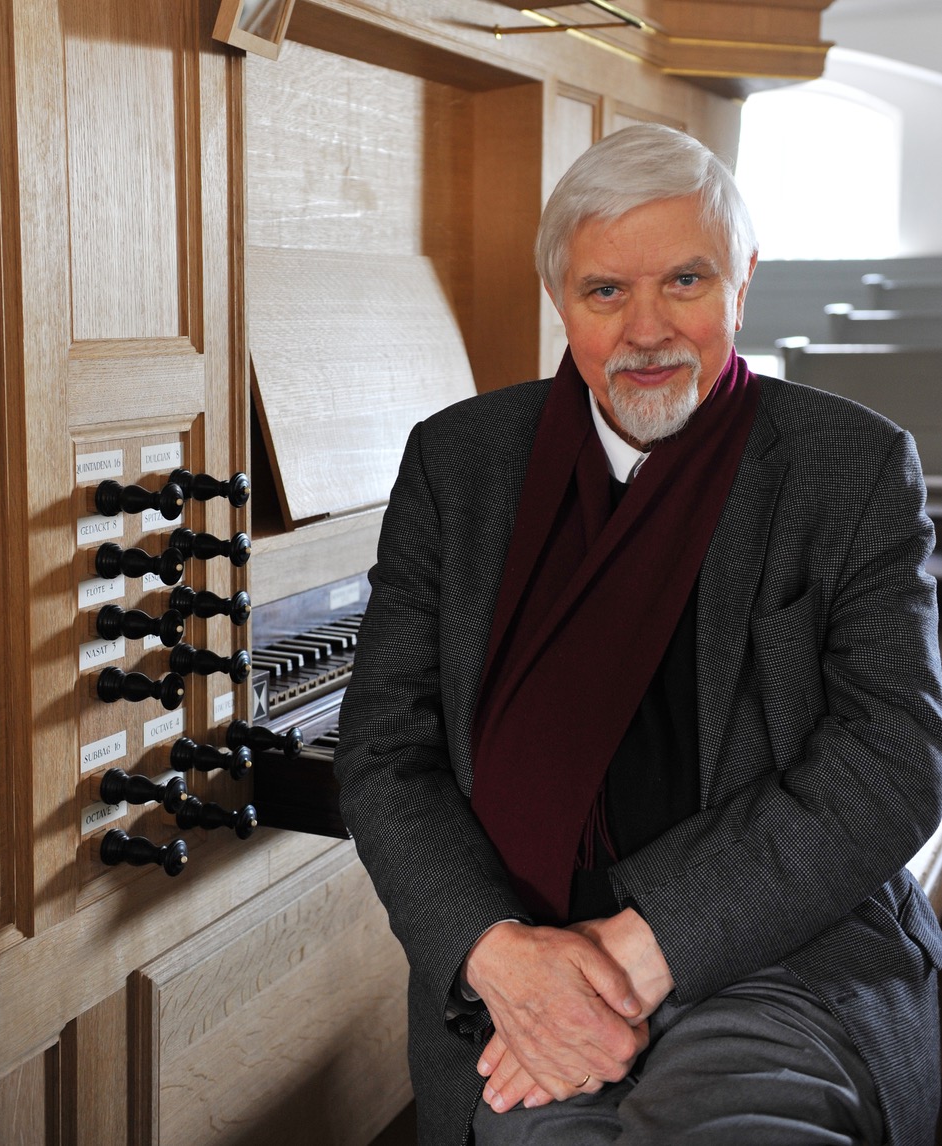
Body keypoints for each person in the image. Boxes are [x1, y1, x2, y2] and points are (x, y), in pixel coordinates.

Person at [334, 123, 942, 1145]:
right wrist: (494, 954)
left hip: (783, 961)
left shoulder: (851, 466)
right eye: (604, 292)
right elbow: (385, 753)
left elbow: (896, 761)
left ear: (741, 281)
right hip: (524, 986)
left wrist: (648, 944)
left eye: (687, 282)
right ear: (559, 300)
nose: (647, 330)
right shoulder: (460, 463)